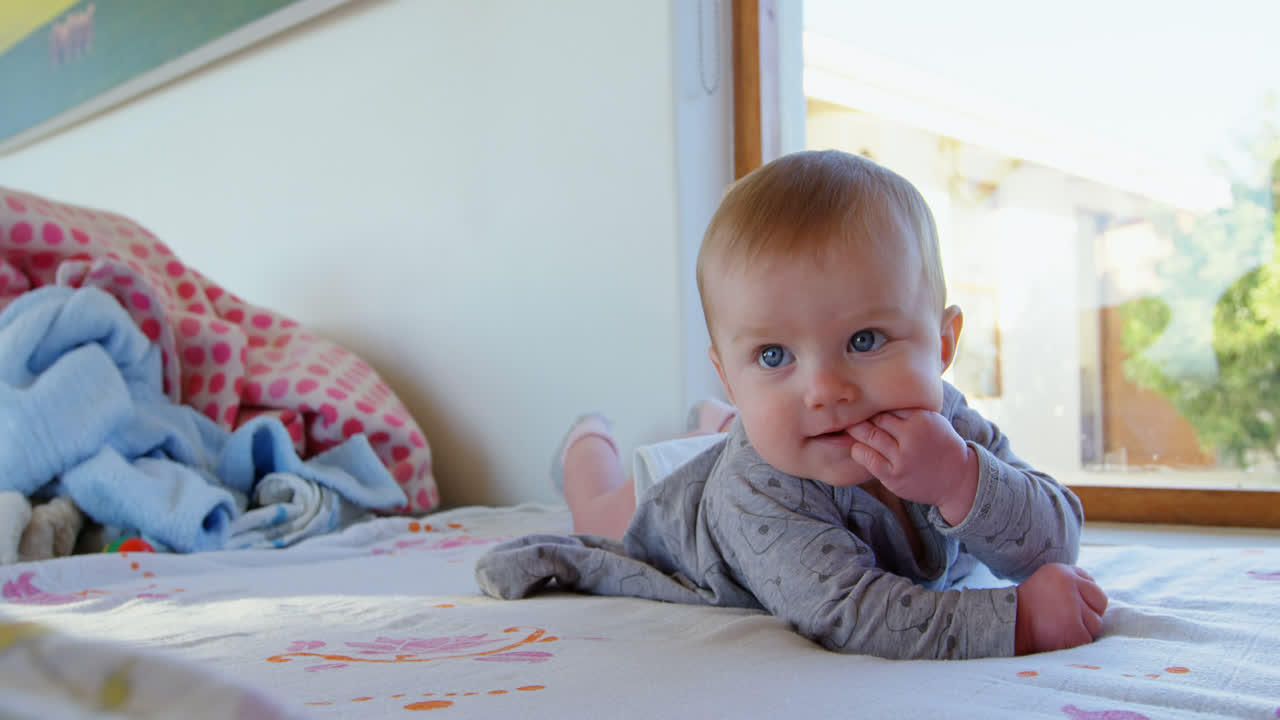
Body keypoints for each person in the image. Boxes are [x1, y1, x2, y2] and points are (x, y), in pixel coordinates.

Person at [476, 150, 1107, 660]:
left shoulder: (947, 421)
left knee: (768, 424)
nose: (825, 390)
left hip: (762, 432)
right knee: (599, 508)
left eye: (864, 341)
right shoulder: (756, 491)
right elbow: (848, 611)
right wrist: (1015, 623)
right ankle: (587, 439)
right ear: (730, 374)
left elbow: (1054, 542)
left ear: (942, 344)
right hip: (683, 511)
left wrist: (963, 478)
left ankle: (712, 421)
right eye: (774, 356)